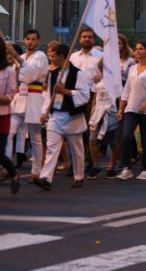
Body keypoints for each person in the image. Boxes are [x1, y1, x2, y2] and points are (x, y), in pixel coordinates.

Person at [35, 44, 91, 190]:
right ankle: (46, 178)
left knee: (76, 149)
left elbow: (85, 95)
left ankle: (79, 177)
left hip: (72, 116)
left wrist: (65, 91)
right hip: (56, 115)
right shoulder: (53, 74)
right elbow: (49, 95)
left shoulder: (78, 73)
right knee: (52, 148)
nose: (51, 59)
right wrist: (44, 112)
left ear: (62, 56)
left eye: (54, 56)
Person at [116, 41, 146, 181]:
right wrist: (121, 108)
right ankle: (126, 168)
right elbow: (127, 89)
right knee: (126, 136)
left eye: (141, 49)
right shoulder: (132, 69)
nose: (138, 51)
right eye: (136, 49)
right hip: (131, 108)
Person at [8, 29, 48, 180]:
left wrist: (16, 57)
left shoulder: (41, 56)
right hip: (19, 98)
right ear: (24, 40)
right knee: (9, 133)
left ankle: (36, 171)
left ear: (38, 41)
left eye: (33, 39)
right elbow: (15, 77)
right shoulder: (23, 57)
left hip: (34, 97)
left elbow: (32, 74)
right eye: (27, 39)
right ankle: (7, 168)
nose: (30, 42)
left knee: (35, 137)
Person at [0, 45, 20, 193]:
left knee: (0, 153)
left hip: (3, 115)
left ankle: (13, 173)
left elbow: (10, 96)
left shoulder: (9, 71)